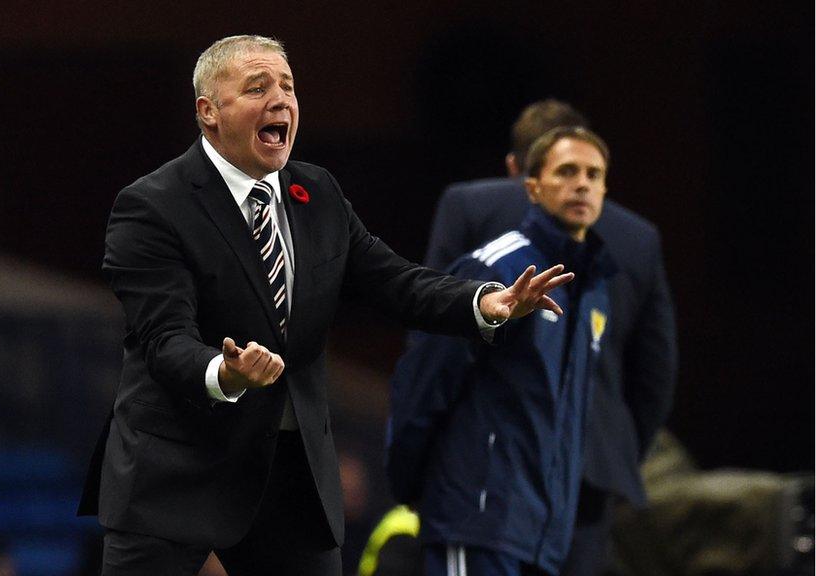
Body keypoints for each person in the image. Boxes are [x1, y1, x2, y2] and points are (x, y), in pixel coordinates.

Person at [77, 35, 573, 576]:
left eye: (288, 87)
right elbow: (162, 338)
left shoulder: (317, 193)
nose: (281, 100)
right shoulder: (151, 206)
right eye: (257, 87)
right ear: (209, 113)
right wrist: (227, 372)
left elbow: (394, 282)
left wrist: (484, 301)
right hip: (175, 474)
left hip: (289, 473)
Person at [421, 100, 677, 576]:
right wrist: (613, 449)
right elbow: (657, 370)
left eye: (591, 174)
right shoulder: (639, 237)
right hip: (591, 472)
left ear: (516, 171)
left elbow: (434, 333)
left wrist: (418, 460)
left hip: (483, 472)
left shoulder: (467, 205)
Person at [386, 126, 616, 575]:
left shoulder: (594, 289)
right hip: (476, 519)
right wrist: (410, 480)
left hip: (542, 536)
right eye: (567, 171)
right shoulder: (494, 268)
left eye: (594, 174)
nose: (582, 183)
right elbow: (425, 377)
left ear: (606, 189)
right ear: (532, 186)